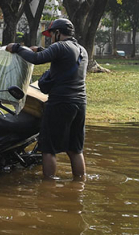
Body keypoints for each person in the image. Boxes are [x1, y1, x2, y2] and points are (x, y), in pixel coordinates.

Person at [5, 18, 87, 180]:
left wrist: (16, 47)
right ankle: (80, 183)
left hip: (60, 103)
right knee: (75, 149)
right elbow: (62, 59)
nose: (50, 38)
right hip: (80, 103)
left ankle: (48, 187)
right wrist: (41, 49)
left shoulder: (60, 46)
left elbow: (36, 59)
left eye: (51, 34)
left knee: (48, 149)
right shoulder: (81, 50)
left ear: (57, 33)